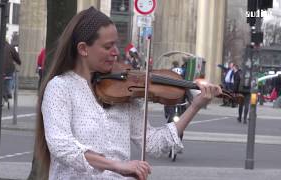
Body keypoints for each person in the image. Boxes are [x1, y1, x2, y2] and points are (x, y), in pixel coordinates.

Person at [35, 7, 222, 180]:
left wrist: (195, 105)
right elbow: (62, 146)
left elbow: (154, 144)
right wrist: (117, 165)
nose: (116, 52)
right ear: (83, 49)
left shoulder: (122, 91)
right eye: (107, 47)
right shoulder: (60, 88)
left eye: (116, 45)